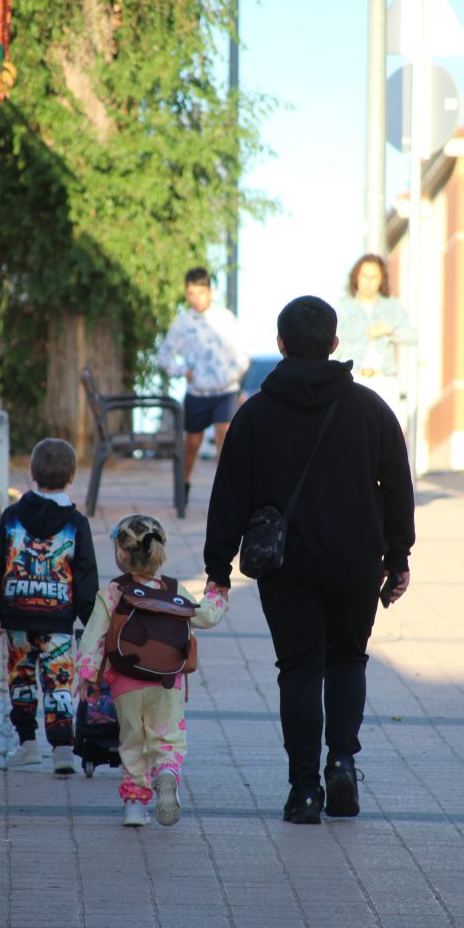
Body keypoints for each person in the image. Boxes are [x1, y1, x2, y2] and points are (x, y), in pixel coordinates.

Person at [204, 296, 415, 824]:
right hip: (356, 561)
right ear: (336, 345)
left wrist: (216, 570)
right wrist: (398, 555)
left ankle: (304, 791)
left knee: (299, 671)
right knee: (348, 659)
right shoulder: (371, 410)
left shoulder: (254, 414)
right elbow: (397, 487)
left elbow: (229, 494)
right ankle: (341, 761)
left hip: (287, 567)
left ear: (280, 345)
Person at [75, 514, 228, 827]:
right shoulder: (174, 590)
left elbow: (92, 638)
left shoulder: (113, 593)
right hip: (166, 682)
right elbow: (207, 617)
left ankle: (134, 807)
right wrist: (218, 594)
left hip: (125, 684)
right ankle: (168, 773)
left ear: (121, 554)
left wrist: (88, 678)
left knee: (132, 742)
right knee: (166, 738)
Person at [0, 438, 99, 774]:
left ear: (32, 473)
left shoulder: (12, 517)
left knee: (21, 677)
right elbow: (86, 575)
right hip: (58, 620)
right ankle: (63, 749)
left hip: (18, 616)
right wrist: (90, 621)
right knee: (58, 680)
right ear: (73, 476)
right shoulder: (76, 524)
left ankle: (28, 745)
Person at [158, 267, 250, 504]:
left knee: (225, 437)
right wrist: (183, 372)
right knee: (192, 443)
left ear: (209, 292)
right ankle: (183, 488)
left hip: (225, 391)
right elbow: (165, 355)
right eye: (190, 293)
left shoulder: (225, 319)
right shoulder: (182, 322)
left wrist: (233, 375)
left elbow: (241, 353)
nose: (195, 298)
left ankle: (226, 493)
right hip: (197, 392)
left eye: (200, 292)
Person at [335, 253, 417, 421]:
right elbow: (335, 346)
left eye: (374, 277)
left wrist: (389, 330)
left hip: (384, 379)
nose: (368, 281)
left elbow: (412, 337)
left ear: (382, 280)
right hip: (353, 377)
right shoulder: (343, 307)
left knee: (386, 435)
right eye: (364, 276)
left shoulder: (392, 306)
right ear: (356, 277)